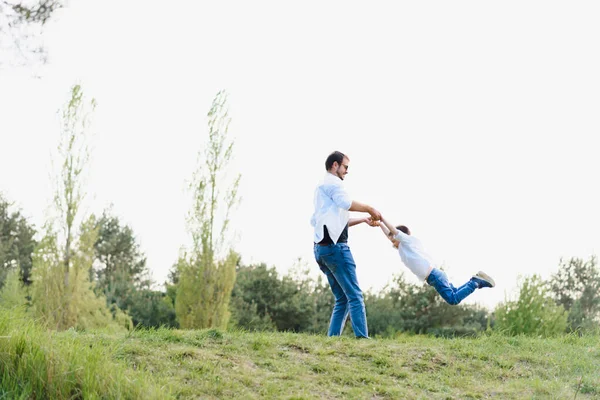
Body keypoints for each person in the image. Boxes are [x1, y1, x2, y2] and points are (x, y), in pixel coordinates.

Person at [311, 151, 381, 338]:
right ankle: (363, 340)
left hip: (321, 250)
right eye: (345, 167)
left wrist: (363, 219)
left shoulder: (320, 188)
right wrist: (370, 208)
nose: (347, 171)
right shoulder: (333, 184)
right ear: (335, 165)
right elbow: (345, 202)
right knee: (355, 296)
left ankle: (332, 339)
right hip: (336, 250)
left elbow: (335, 221)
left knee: (342, 298)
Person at [377, 216, 495, 305]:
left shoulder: (408, 241)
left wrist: (381, 218)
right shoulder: (402, 247)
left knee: (453, 299)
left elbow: (392, 231)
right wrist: (379, 224)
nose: (391, 239)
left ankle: (475, 283)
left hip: (434, 276)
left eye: (394, 236)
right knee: (454, 293)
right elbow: (389, 235)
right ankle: (474, 280)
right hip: (434, 277)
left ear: (400, 235)